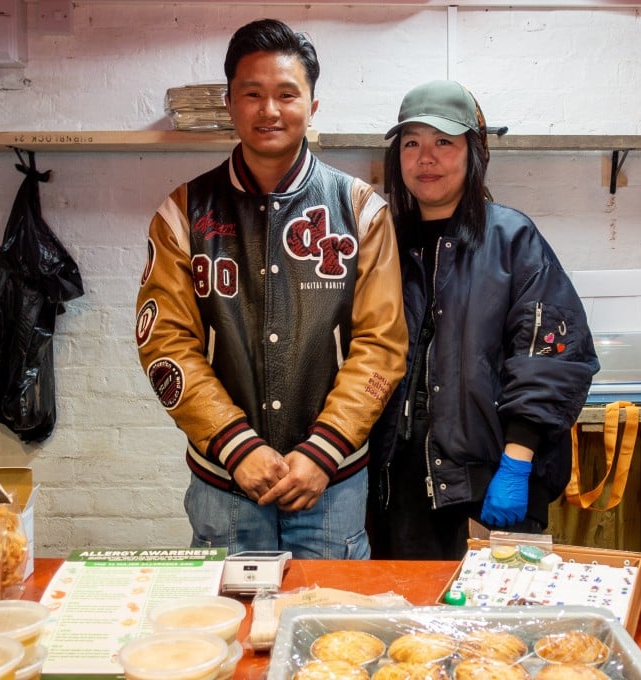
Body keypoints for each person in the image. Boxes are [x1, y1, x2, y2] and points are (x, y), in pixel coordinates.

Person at [135, 19, 407, 559]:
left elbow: (381, 346)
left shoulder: (361, 211)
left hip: (332, 484)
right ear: (230, 103)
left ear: (313, 104)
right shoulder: (182, 212)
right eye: (252, 94)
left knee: (330, 637)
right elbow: (166, 345)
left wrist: (322, 452)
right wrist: (236, 447)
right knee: (230, 632)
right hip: (224, 484)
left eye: (287, 94)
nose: (270, 110)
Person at [368, 80, 600, 560]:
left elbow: (552, 357)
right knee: (412, 627)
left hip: (492, 485)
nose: (425, 158)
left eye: (444, 143)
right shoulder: (382, 240)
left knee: (493, 631)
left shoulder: (512, 239)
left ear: (474, 152)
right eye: (412, 143)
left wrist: (517, 463)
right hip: (398, 490)